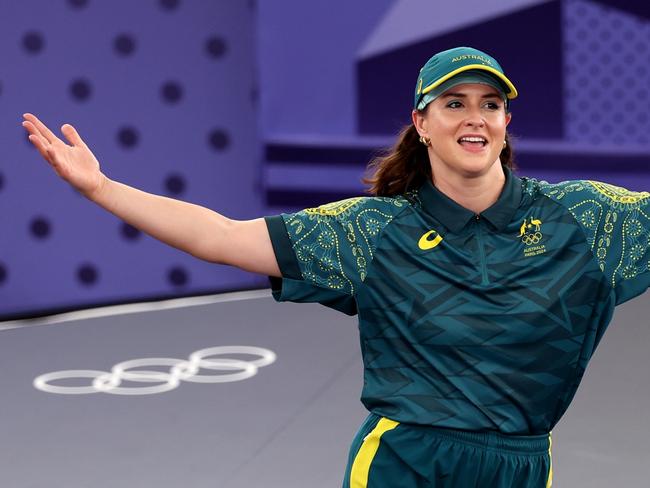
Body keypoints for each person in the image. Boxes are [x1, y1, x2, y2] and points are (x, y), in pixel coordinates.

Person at [22, 46, 649, 487]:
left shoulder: (587, 220)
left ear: (506, 123)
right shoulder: (373, 232)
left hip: (521, 463)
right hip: (408, 463)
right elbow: (221, 237)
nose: (473, 117)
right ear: (422, 124)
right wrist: (102, 189)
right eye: (453, 102)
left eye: (489, 104)